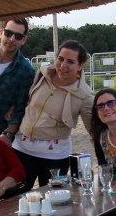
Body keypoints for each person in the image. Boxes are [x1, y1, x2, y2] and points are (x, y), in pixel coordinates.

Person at [12, 39, 94, 190]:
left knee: (51, 201)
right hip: (21, 148)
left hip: (53, 157)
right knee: (15, 198)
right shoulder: (42, 74)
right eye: (60, 59)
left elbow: (95, 131)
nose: (63, 66)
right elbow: (27, 102)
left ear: (80, 66)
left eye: (70, 62)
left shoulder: (85, 95)